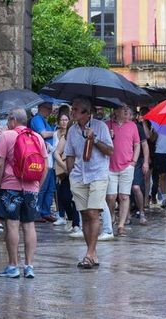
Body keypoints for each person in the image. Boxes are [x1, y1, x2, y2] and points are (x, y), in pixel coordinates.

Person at [0, 108, 47, 279]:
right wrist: (38, 185)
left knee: (12, 225)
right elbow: (46, 166)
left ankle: (13, 266)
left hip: (10, 186)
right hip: (32, 188)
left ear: (13, 119)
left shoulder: (6, 136)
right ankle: (29, 266)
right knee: (29, 225)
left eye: (9, 120)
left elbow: (0, 164)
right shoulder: (37, 137)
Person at [63, 97, 114, 269]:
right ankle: (92, 252)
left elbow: (110, 151)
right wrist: (70, 175)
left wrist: (96, 139)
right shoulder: (72, 131)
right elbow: (69, 154)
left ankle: (90, 254)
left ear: (86, 112)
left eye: (75, 109)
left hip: (97, 174)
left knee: (93, 213)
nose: (72, 112)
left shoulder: (101, 127)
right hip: (78, 176)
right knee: (85, 214)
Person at [105, 105, 140, 236]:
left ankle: (121, 226)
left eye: (127, 109)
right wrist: (108, 137)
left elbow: (137, 144)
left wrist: (134, 162)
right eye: (122, 108)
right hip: (110, 166)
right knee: (111, 196)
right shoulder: (107, 125)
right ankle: (111, 219)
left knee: (124, 196)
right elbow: (99, 143)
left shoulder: (132, 125)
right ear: (115, 110)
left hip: (127, 166)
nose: (126, 111)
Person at [52, 112, 80, 234]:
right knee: (65, 197)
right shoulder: (65, 138)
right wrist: (64, 165)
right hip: (67, 173)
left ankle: (76, 225)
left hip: (79, 173)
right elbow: (56, 153)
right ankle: (70, 218)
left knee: (76, 199)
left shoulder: (83, 138)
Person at [30, 101, 57, 222]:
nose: (50, 111)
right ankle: (36, 212)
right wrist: (58, 132)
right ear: (41, 107)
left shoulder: (45, 120)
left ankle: (45, 211)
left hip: (50, 157)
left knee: (50, 187)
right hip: (42, 157)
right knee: (42, 186)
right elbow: (44, 134)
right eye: (48, 108)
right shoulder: (37, 119)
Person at [129, 108, 151, 225]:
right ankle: (126, 214)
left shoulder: (138, 127)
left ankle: (141, 211)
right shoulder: (116, 127)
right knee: (124, 190)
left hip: (137, 161)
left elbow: (145, 144)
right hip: (123, 161)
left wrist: (146, 162)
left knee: (136, 187)